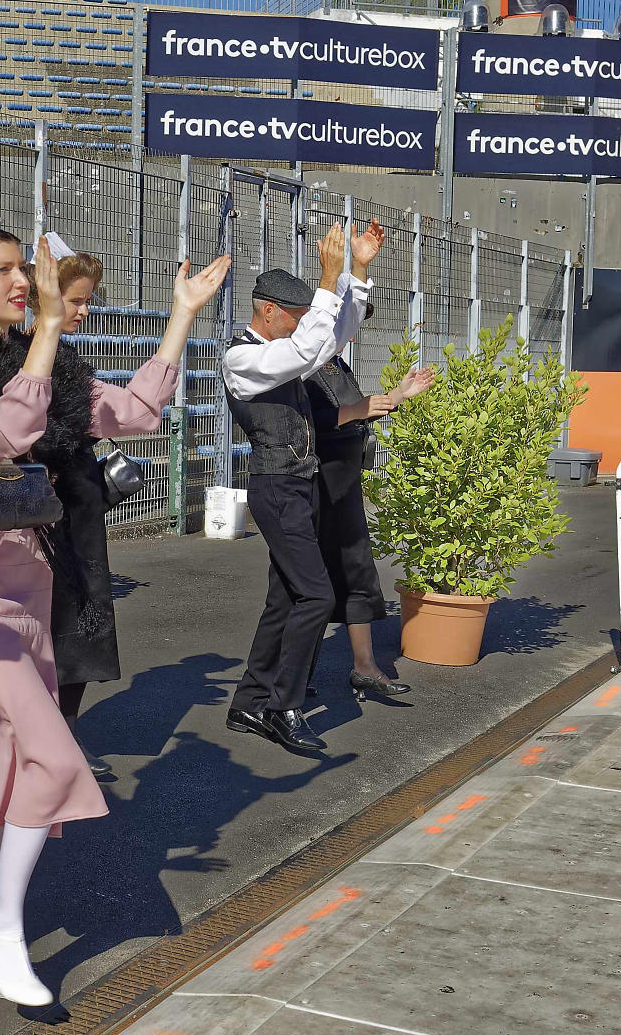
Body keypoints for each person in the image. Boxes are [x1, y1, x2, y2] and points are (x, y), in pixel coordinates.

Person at [0, 205, 226, 1008]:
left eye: (26, 267)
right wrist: (51, 334)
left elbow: (135, 412)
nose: (24, 280)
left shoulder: (43, 357)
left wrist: (181, 317)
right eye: (4, 270)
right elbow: (1, 437)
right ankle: (1, 929)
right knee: (54, 760)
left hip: (31, 579)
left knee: (6, 768)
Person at [28, 232, 229, 778]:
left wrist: (181, 315)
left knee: (76, 627)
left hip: (75, 511)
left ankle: (63, 736)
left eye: (89, 299)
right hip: (25, 518)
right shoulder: (1, 356)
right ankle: (31, 742)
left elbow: (135, 412)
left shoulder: (68, 365)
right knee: (32, 630)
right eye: (76, 300)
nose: (85, 311)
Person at [220, 220, 384, 755]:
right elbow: (307, 345)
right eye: (292, 315)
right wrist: (328, 276)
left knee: (285, 596)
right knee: (316, 594)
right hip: (276, 488)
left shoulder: (284, 348)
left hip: (299, 485)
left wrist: (355, 274)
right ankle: (282, 705)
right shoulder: (242, 357)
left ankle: (249, 699)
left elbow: (333, 334)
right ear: (269, 311)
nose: (299, 325)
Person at [305, 328, 434, 698]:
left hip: (346, 488)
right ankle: (295, 673)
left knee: (357, 570)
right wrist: (356, 411)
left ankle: (364, 666)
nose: (351, 334)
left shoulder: (336, 366)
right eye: (345, 325)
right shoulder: (302, 367)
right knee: (312, 581)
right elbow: (308, 424)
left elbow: (358, 415)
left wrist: (396, 396)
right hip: (319, 486)